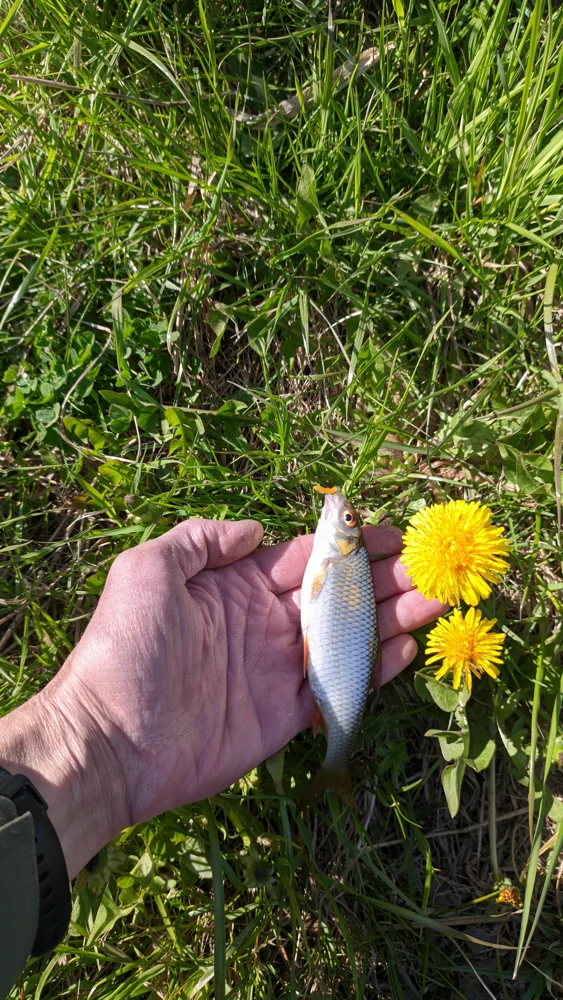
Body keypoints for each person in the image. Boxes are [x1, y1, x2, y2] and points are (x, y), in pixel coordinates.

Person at [0, 517, 446, 996]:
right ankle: (334, 763)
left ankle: (334, 762)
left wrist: (95, 729)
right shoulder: (338, 557)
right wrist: (95, 728)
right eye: (351, 521)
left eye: (348, 519)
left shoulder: (339, 558)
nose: (341, 510)